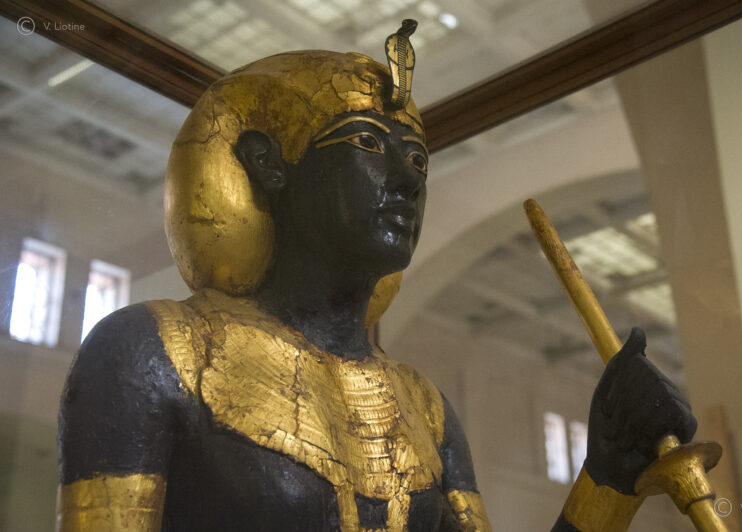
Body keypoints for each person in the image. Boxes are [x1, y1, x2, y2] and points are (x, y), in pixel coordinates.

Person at [56, 22, 696, 532]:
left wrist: (607, 477)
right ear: (268, 164)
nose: (407, 180)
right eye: (366, 142)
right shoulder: (151, 353)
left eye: (417, 158)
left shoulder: (425, 407)